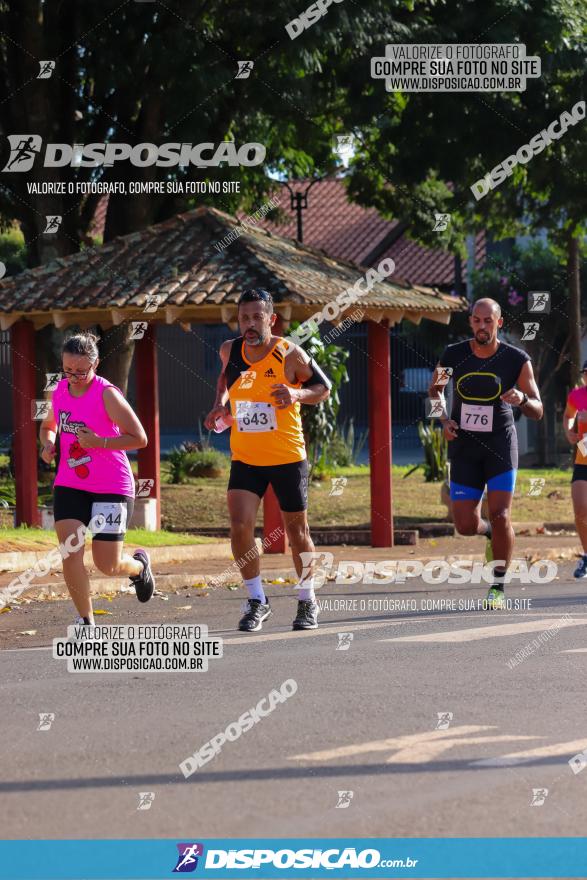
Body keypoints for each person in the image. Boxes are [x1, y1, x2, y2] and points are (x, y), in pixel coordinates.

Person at [204, 288, 331, 632]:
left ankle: (307, 599)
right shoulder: (229, 350)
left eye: (256, 317)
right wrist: (220, 404)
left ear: (270, 319)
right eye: (244, 317)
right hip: (246, 456)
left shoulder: (289, 352)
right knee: (239, 526)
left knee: (297, 530)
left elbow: (324, 387)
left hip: (288, 455)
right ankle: (257, 599)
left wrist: (295, 393)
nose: (249, 323)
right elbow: (225, 379)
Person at [429, 298, 543, 609]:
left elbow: (538, 408)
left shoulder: (516, 359)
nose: (482, 326)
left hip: (500, 447)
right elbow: (434, 391)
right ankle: (491, 532)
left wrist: (520, 398)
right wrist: (442, 420)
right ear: (470, 323)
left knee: (502, 513)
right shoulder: (452, 355)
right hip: (464, 447)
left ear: (499, 323)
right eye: (477, 321)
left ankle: (498, 586)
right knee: (464, 524)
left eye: (488, 321)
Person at [39, 332, 155, 626]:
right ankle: (85, 620)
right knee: (70, 551)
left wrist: (100, 442)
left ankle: (139, 568)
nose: (74, 377)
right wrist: (48, 444)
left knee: (107, 564)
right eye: (68, 371)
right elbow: (48, 426)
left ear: (96, 364)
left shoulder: (107, 394)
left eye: (81, 371)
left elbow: (140, 438)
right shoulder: (59, 391)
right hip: (70, 482)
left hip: (111, 486)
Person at [562, 360, 587, 578]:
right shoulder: (578, 396)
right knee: (580, 511)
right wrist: (570, 432)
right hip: (583, 461)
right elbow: (569, 416)